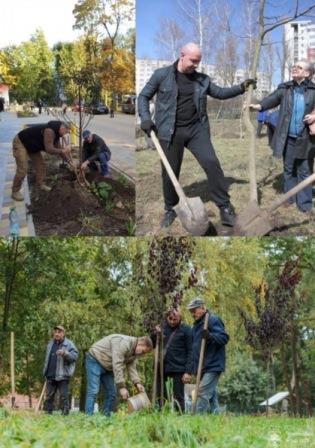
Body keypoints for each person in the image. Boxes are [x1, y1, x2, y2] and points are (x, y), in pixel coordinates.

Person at [138, 42, 256, 228]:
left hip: (196, 130)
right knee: (170, 172)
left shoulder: (202, 79)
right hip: (170, 131)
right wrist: (145, 119)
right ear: (182, 55)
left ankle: (225, 207)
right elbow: (143, 97)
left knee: (212, 163)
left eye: (198, 61)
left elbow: (221, 93)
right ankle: (170, 208)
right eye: (193, 61)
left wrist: (241, 87)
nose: (196, 65)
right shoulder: (162, 75)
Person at [249, 60, 315, 213]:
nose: (295, 68)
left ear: (307, 73)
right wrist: (258, 106)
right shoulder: (286, 88)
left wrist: (314, 116)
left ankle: (304, 203)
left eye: (299, 67)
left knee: (304, 170)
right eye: (294, 66)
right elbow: (271, 99)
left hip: (306, 138)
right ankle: (289, 198)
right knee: (288, 168)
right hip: (287, 136)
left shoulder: (314, 89)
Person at [85, 334, 153, 416]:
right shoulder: (124, 343)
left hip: (108, 366)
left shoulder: (134, 353)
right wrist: (121, 387)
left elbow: (132, 368)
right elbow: (117, 363)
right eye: (143, 351)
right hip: (95, 359)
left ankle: (104, 418)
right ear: (140, 344)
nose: (142, 354)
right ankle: (88, 417)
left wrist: (137, 383)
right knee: (93, 390)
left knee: (111, 393)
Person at [187, 298, 229, 414]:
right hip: (202, 366)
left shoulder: (212, 320)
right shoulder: (196, 326)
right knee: (211, 396)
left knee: (202, 392)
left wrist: (210, 336)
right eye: (191, 311)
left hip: (213, 364)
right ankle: (216, 417)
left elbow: (224, 338)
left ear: (202, 308)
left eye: (194, 310)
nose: (192, 314)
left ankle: (194, 419)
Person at [11, 120, 71, 201]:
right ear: (62, 128)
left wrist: (68, 161)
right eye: (66, 131)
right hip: (21, 142)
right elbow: (49, 149)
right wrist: (63, 150)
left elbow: (58, 149)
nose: (65, 134)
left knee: (41, 165)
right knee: (23, 169)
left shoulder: (57, 134)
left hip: (32, 146)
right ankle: (15, 191)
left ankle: (40, 184)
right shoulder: (50, 131)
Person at [151, 308, 192, 412]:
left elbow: (191, 352)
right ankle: (160, 416)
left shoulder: (186, 330)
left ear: (180, 318)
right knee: (160, 396)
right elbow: (151, 343)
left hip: (178, 368)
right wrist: (155, 334)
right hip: (161, 368)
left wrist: (188, 371)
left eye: (175, 319)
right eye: (170, 319)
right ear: (166, 317)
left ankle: (179, 419)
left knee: (178, 397)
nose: (173, 321)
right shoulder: (161, 328)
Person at [43, 325, 78, 415]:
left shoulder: (69, 344)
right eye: (55, 332)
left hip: (63, 374)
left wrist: (65, 353)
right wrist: (45, 371)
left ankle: (65, 413)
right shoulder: (50, 344)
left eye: (59, 332)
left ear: (63, 333)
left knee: (64, 396)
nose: (57, 334)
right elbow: (47, 359)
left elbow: (74, 357)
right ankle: (48, 413)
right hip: (50, 374)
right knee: (49, 396)